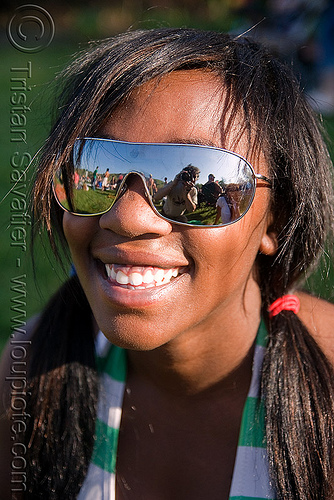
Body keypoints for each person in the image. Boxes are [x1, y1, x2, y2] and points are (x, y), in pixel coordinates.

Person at [1, 28, 334, 500]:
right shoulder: (33, 372)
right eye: (99, 167)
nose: (127, 217)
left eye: (206, 179)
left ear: (275, 219)